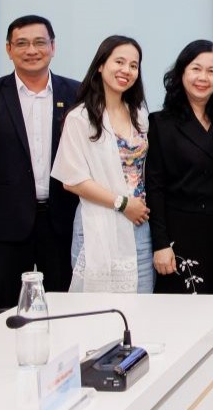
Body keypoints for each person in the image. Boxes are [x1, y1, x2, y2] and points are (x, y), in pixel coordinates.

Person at [0, 15, 81, 307]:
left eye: (40, 42)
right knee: (3, 307)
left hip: (61, 221)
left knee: (65, 303)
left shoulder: (75, 93)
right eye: (22, 43)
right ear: (8, 49)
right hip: (5, 224)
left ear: (52, 47)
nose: (31, 50)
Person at [52, 36, 153, 293]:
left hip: (139, 224)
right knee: (97, 308)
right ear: (100, 65)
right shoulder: (80, 118)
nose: (126, 70)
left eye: (133, 65)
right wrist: (122, 203)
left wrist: (132, 207)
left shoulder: (139, 114)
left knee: (140, 305)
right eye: (119, 62)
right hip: (97, 222)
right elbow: (72, 180)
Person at [147, 40, 213, 294]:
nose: (203, 77)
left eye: (211, 71)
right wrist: (160, 244)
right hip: (179, 236)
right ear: (182, 72)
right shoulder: (160, 123)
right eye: (196, 69)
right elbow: (154, 187)